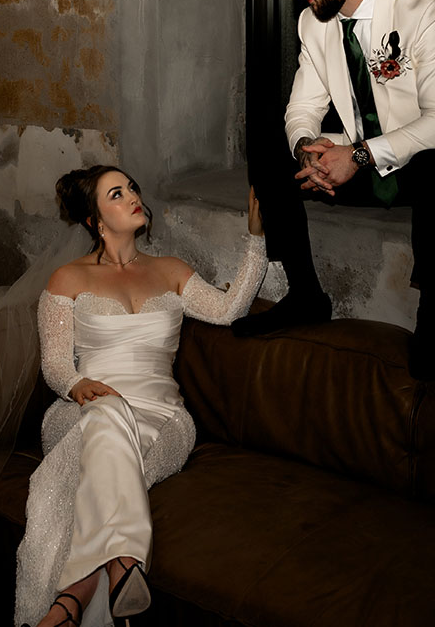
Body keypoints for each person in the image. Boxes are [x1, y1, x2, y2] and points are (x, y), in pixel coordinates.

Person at [235, 0, 435, 380]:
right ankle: (305, 296)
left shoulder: (424, 12)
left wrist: (358, 156)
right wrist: (305, 151)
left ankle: (430, 324)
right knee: (269, 154)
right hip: (363, 154)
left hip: (432, 160)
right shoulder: (313, 25)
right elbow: (301, 110)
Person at [16, 165, 266, 627]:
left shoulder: (171, 271)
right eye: (116, 193)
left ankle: (67, 604)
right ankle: (123, 566)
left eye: (131, 186)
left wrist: (256, 239)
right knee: (108, 417)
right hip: (82, 413)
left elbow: (230, 309)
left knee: (103, 463)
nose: (132, 195)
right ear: (95, 220)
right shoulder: (67, 279)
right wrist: (74, 385)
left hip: (163, 420)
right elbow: (54, 362)